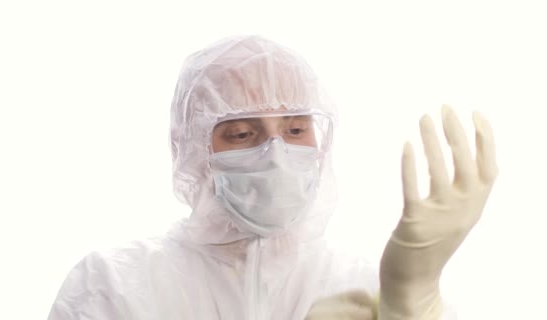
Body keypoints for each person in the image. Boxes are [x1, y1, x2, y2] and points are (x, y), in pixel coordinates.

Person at [48, 35, 498, 319]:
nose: (277, 155)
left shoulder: (360, 285)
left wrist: (412, 304)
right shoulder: (116, 287)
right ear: (191, 148)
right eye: (242, 133)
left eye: (296, 129)